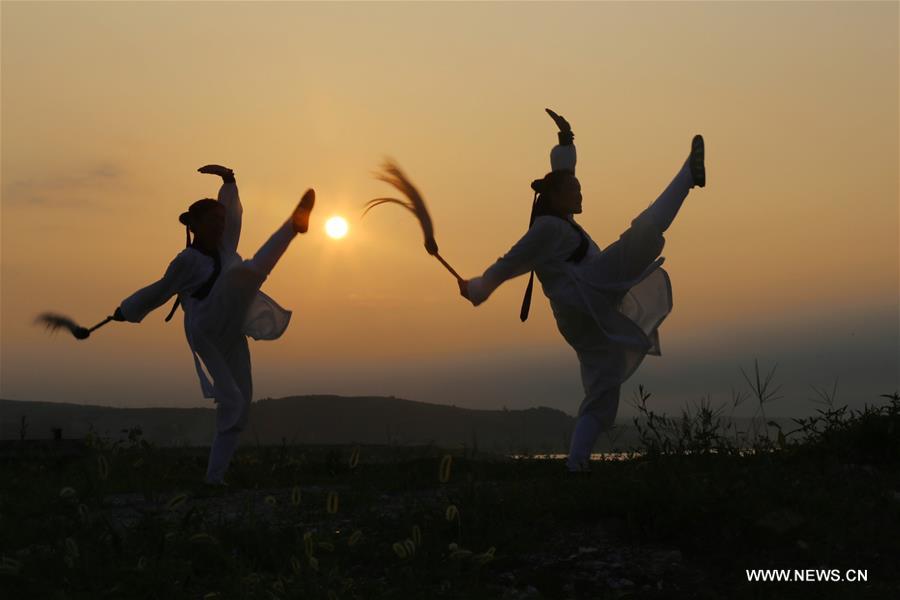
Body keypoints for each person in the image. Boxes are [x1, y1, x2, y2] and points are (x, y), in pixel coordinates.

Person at [459, 110, 705, 472]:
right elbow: (510, 262)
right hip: (585, 296)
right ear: (558, 197)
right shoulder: (546, 229)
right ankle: (687, 177)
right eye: (574, 189)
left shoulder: (560, 221)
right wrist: (479, 287)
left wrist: (565, 142)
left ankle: (576, 464)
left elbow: (563, 176)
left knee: (603, 392)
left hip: (583, 310)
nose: (580, 191)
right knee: (641, 236)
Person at [112, 165, 315, 484]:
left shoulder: (225, 247)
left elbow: (233, 218)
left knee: (238, 402)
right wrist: (126, 310)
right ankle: (292, 226)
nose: (221, 226)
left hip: (231, 327)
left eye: (221, 221)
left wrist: (229, 181)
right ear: (195, 226)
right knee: (246, 274)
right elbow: (160, 291)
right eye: (213, 221)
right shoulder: (186, 261)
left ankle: (214, 478)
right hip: (206, 324)